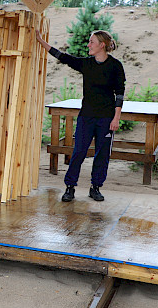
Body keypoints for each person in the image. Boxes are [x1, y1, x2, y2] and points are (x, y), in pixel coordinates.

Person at [35, 29, 125, 202]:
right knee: (79, 152)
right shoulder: (86, 64)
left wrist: (116, 118)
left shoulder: (115, 66)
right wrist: (40, 41)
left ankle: (96, 187)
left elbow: (120, 93)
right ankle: (70, 187)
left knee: (102, 154)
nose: (88, 45)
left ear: (102, 45)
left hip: (106, 118)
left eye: (92, 42)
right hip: (86, 116)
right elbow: (62, 57)